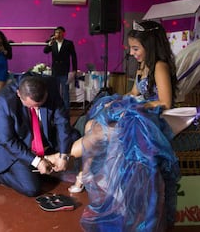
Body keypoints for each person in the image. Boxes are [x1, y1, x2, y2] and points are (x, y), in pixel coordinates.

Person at [47, 20, 180, 231]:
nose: (133, 53)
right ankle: (83, 172)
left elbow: (164, 102)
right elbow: (134, 93)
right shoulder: (142, 66)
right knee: (92, 123)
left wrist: (135, 105)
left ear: (151, 45)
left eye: (136, 48)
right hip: (138, 111)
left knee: (102, 132)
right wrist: (119, 101)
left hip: (152, 118)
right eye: (131, 48)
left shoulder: (159, 66)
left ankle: (63, 156)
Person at [0, 74, 80, 197]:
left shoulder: (50, 84)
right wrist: (36, 161)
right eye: (32, 106)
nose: (37, 109)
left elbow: (62, 121)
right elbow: (7, 140)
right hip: (16, 141)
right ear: (19, 94)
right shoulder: (5, 100)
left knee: (74, 136)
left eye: (40, 105)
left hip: (39, 133)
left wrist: (63, 155)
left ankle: (43, 160)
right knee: (31, 188)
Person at [43, 26, 78, 111]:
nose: (57, 34)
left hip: (64, 70)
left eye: (59, 32)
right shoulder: (53, 43)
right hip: (55, 70)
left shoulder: (68, 43)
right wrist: (50, 43)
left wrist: (74, 70)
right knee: (55, 90)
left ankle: (66, 109)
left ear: (63, 33)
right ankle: (57, 108)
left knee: (65, 92)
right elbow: (45, 51)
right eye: (56, 32)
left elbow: (73, 57)